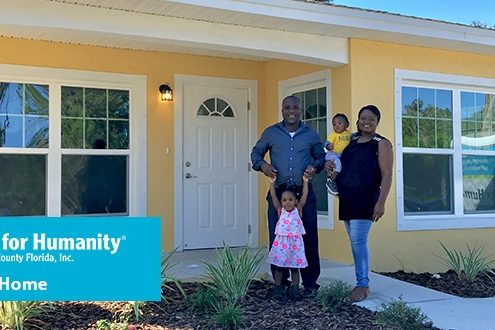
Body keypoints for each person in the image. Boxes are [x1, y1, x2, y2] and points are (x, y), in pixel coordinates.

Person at [251, 95, 326, 296]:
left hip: (303, 195)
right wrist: (264, 166)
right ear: (282, 110)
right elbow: (255, 155)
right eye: (287, 108)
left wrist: (314, 166)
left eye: (295, 108)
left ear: (300, 110)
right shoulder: (271, 133)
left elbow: (321, 157)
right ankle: (280, 283)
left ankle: (309, 284)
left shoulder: (310, 134)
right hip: (279, 195)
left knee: (308, 236)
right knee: (277, 238)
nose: (291, 111)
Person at [326, 104, 393, 303]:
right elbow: (341, 162)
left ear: (377, 122)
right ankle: (361, 281)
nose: (367, 121)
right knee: (354, 242)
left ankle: (362, 284)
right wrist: (329, 166)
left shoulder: (381, 143)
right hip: (347, 198)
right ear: (357, 120)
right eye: (364, 118)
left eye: (372, 119)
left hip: (366, 198)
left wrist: (381, 203)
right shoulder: (352, 140)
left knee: (358, 240)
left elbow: (387, 173)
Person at [267, 174, 309, 301]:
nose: (287, 202)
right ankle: (278, 287)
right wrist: (271, 183)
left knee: (295, 268)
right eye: (284, 200)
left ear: (295, 201)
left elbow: (305, 195)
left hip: (295, 245)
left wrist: (305, 182)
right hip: (282, 245)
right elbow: (273, 196)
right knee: (279, 267)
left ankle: (295, 288)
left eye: (290, 199)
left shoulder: (298, 209)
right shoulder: (280, 211)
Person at [324, 113, 352, 195]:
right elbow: (326, 143)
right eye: (334, 124)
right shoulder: (333, 134)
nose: (337, 126)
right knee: (338, 165)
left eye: (340, 123)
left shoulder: (349, 134)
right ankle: (331, 181)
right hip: (333, 154)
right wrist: (329, 146)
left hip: (342, 155)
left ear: (347, 124)